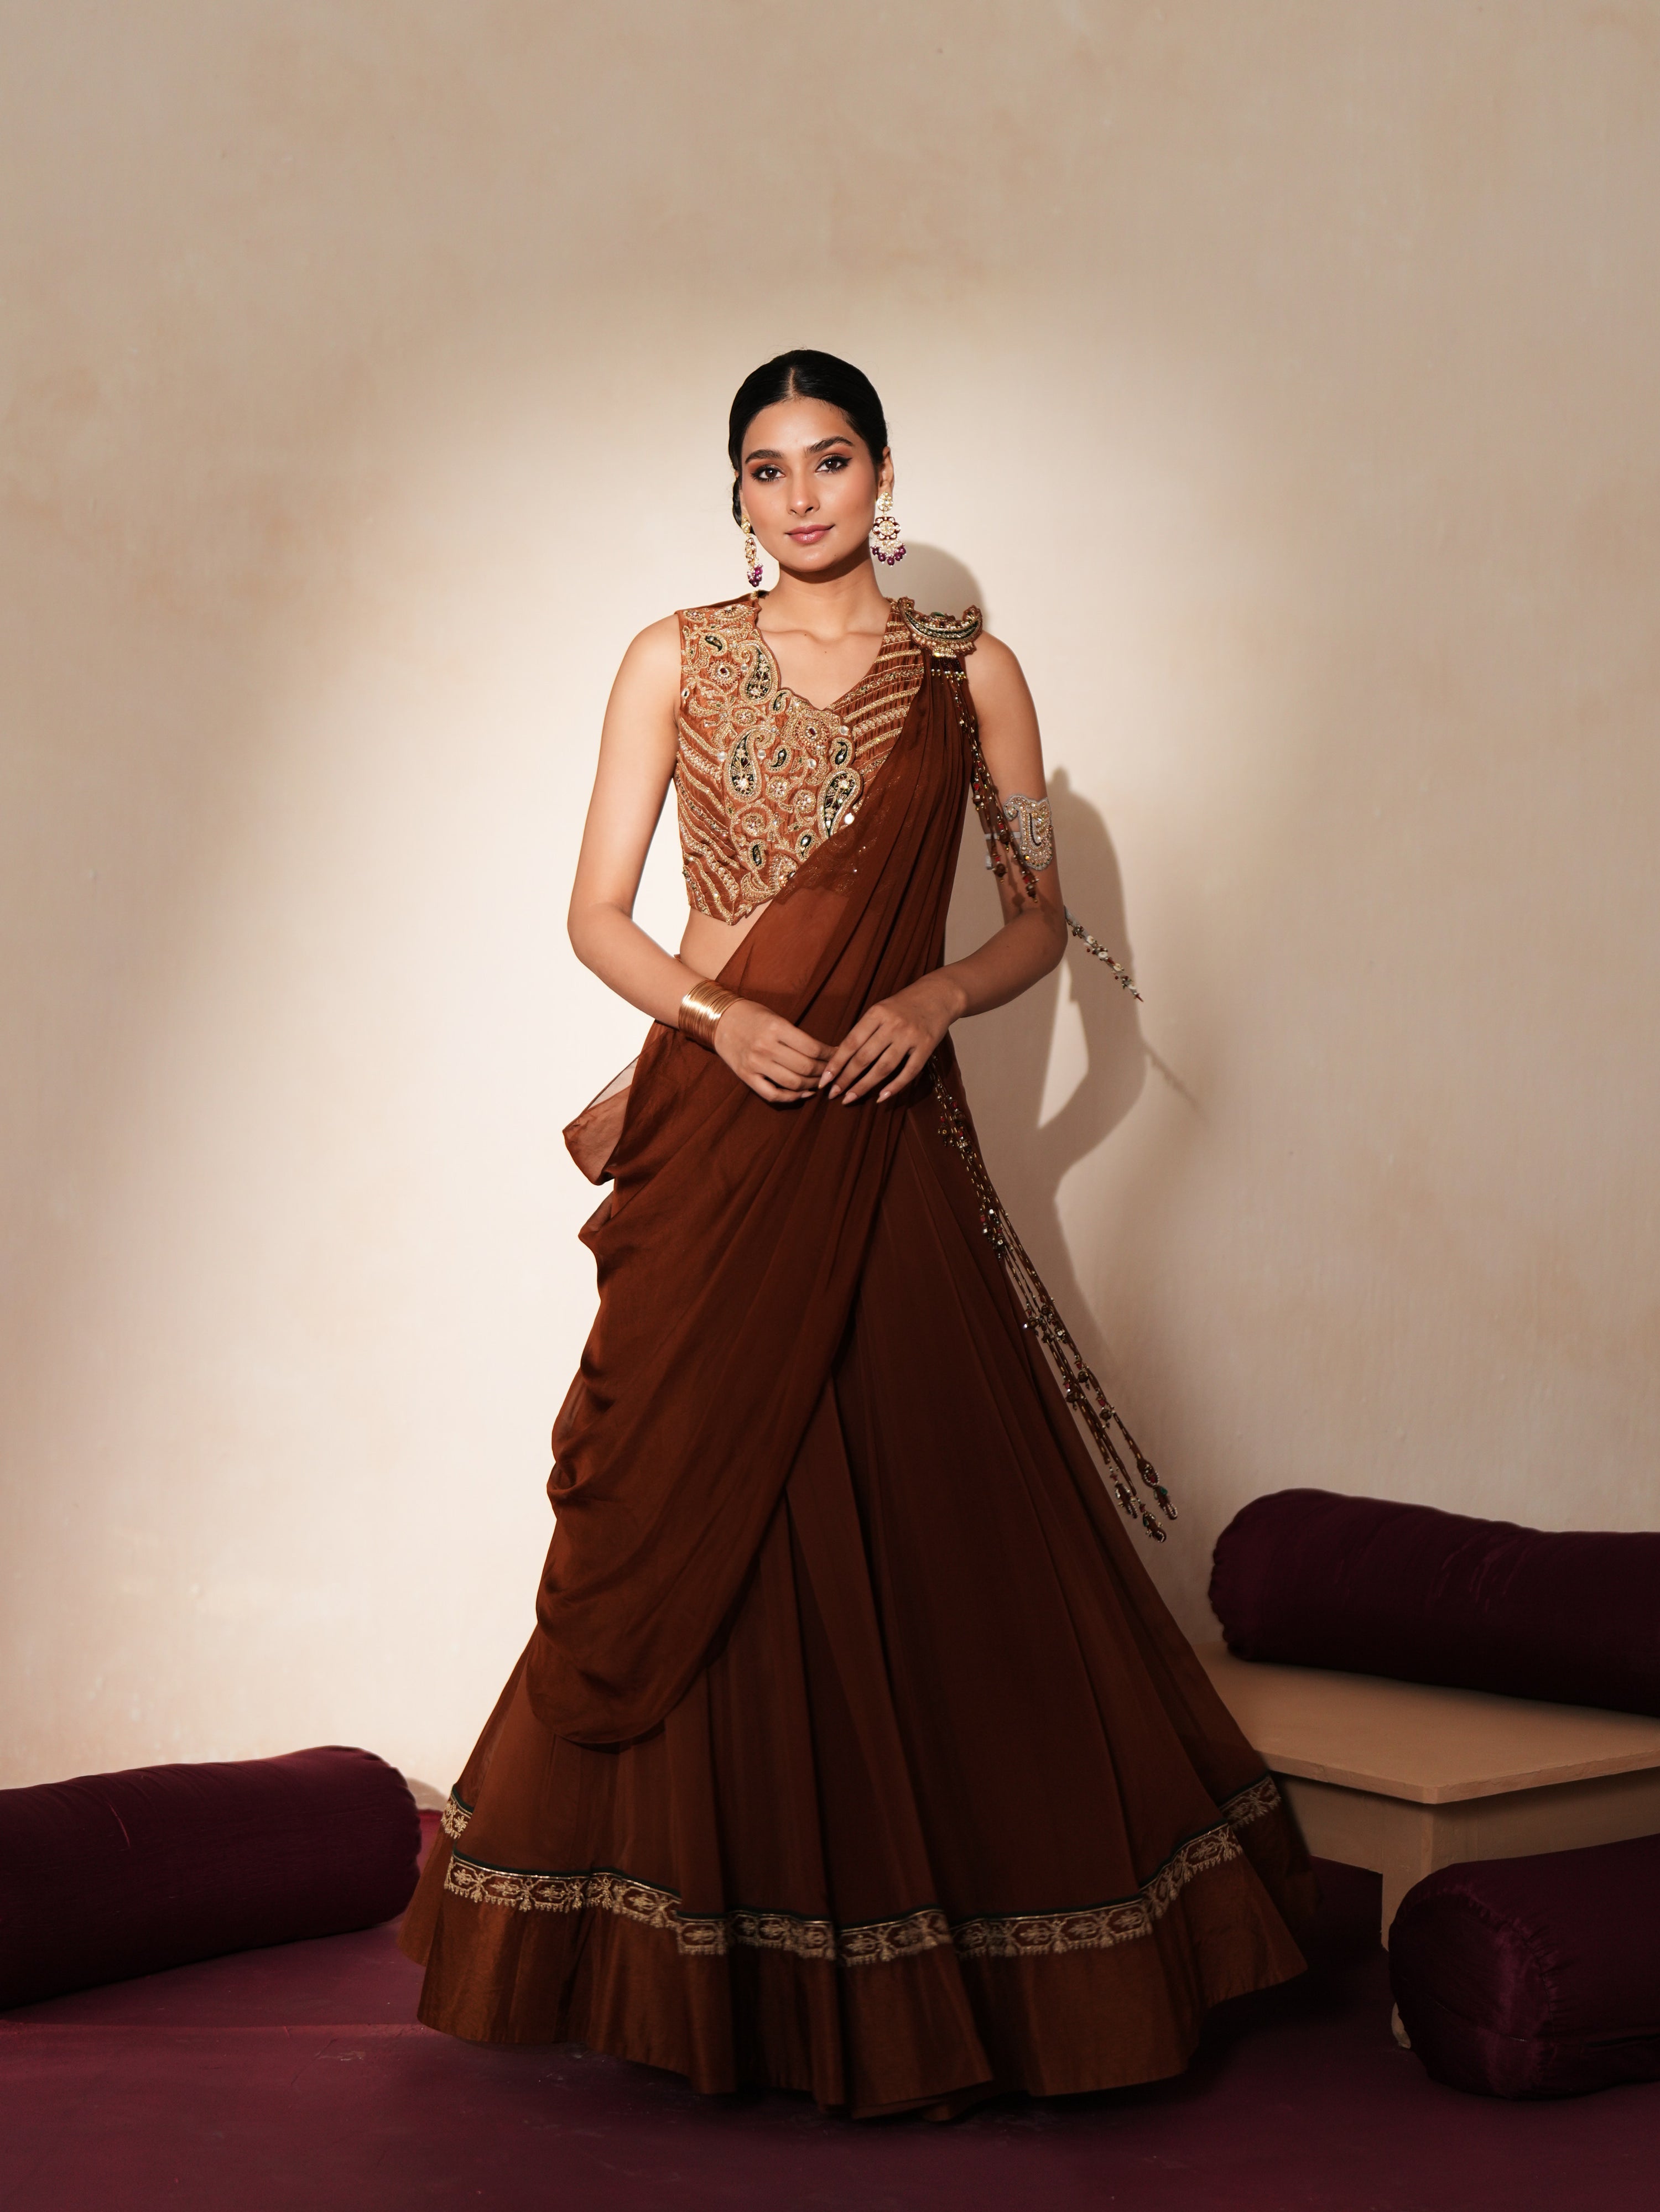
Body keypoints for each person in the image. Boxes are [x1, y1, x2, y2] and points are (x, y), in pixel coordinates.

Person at [399, 349, 1315, 2119]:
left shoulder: (971, 674)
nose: (799, 492)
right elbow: (595, 913)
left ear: (881, 477)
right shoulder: (671, 657)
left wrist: (937, 995)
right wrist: (708, 1013)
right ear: (731, 492)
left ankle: (956, 1947)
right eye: (765, 465)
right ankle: (697, 1961)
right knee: (690, 1499)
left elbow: (1039, 920)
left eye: (830, 459)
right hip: (721, 1128)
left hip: (887, 1129)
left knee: (918, 1495)